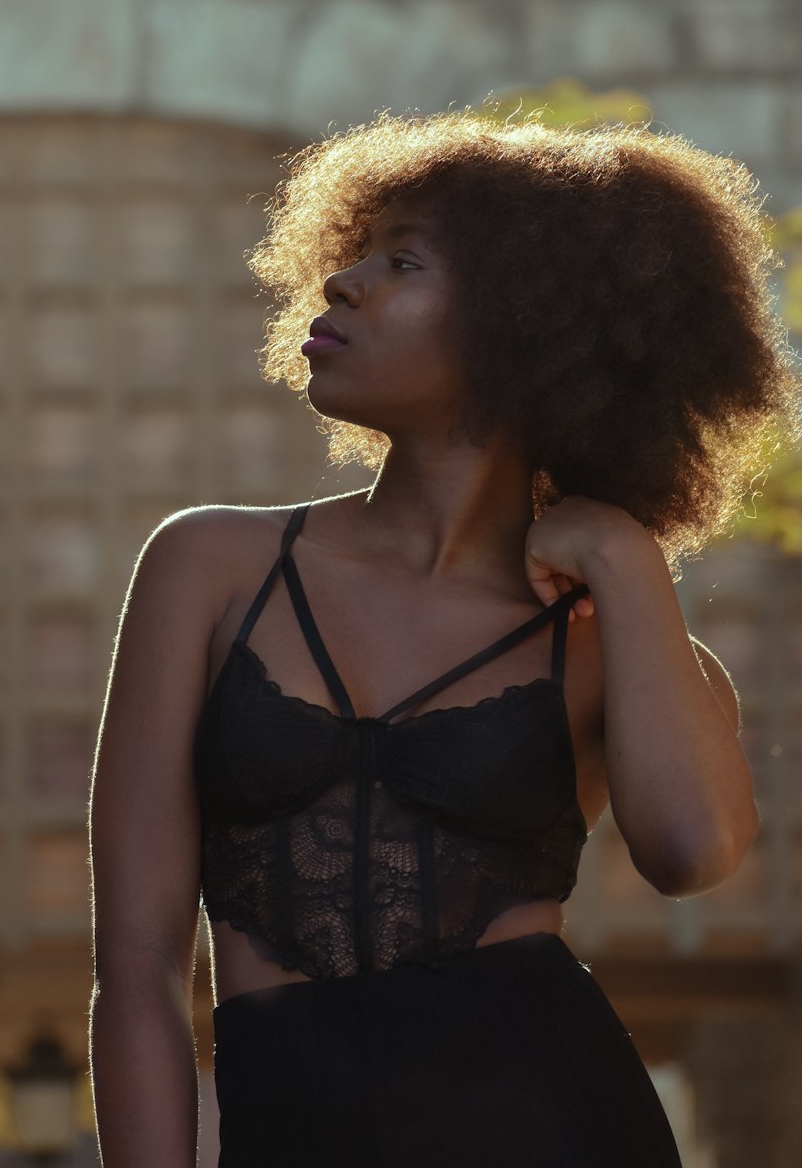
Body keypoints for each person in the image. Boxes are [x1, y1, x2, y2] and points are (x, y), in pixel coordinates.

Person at [87, 109, 802, 1167]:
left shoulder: (615, 639)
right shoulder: (210, 567)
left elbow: (694, 851)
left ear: (534, 325)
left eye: (404, 261)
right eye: (355, 253)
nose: (342, 283)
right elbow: (139, 965)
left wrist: (626, 558)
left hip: (559, 1126)